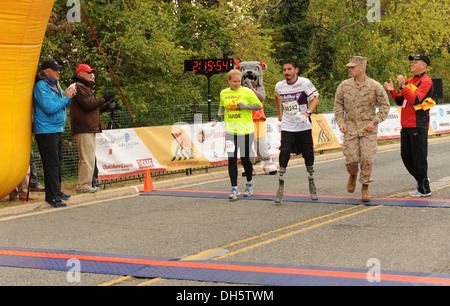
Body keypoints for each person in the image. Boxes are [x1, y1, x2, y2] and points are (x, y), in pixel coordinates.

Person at [334, 56, 390, 202]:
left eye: (353, 67)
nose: (350, 70)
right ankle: (353, 174)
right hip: (350, 127)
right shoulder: (344, 86)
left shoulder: (374, 86)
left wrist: (375, 121)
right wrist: (341, 122)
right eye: (349, 67)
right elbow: (338, 105)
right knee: (351, 158)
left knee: (367, 158)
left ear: (362, 68)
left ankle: (365, 185)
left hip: (368, 128)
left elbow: (385, 105)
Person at [384, 54, 434, 197]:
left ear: (424, 65)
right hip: (406, 125)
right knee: (406, 156)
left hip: (418, 124)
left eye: (416, 62)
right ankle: (422, 180)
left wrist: (403, 86)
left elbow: (416, 100)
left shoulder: (426, 81)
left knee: (419, 157)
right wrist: (393, 90)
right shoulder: (410, 80)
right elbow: (401, 100)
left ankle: (424, 188)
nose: (412, 64)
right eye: (412, 61)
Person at [274, 59, 320, 203]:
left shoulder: (304, 82)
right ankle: (280, 182)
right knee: (285, 150)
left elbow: (315, 99)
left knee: (308, 154)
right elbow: (277, 97)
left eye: (289, 69)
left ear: (296, 70)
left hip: (303, 125)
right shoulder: (279, 86)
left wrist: (308, 112)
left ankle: (311, 180)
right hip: (288, 125)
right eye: (284, 70)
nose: (286, 72)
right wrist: (279, 114)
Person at [33, 59, 75, 208]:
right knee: (51, 164)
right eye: (55, 69)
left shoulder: (55, 84)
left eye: (59, 69)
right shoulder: (41, 86)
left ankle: (57, 192)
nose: (58, 72)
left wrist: (70, 96)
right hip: (45, 130)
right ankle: (52, 197)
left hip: (56, 129)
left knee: (57, 163)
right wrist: (66, 98)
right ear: (46, 71)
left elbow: (63, 104)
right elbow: (50, 107)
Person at [70, 64, 116, 193]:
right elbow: (88, 105)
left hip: (88, 127)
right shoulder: (79, 87)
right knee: (87, 157)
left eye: (92, 73)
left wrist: (107, 106)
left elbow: (93, 107)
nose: (92, 75)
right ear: (80, 74)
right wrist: (105, 98)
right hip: (84, 127)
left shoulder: (84, 87)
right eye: (88, 72)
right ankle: (83, 185)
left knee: (89, 157)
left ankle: (88, 183)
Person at [218, 69, 262, 200]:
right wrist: (219, 115)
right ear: (229, 81)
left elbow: (258, 105)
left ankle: (249, 183)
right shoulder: (223, 93)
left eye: (239, 81)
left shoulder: (247, 91)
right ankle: (234, 188)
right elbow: (222, 106)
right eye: (234, 81)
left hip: (245, 130)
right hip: (231, 131)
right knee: (231, 159)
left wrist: (245, 106)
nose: (237, 84)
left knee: (244, 159)